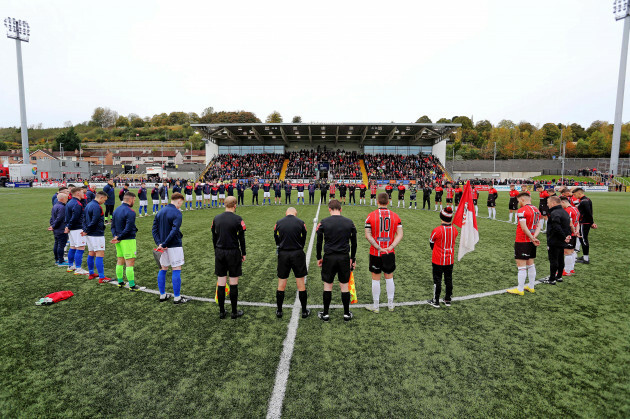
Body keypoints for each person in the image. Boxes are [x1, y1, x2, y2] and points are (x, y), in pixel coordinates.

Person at [315, 199, 358, 322]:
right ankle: (346, 314)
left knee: (328, 285)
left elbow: (319, 242)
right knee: (344, 285)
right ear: (340, 209)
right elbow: (354, 243)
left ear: (329, 209)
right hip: (344, 257)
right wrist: (352, 258)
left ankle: (326, 314)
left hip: (329, 257)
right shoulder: (349, 223)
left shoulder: (324, 222)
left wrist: (319, 257)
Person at [364, 193, 403, 313]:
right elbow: (400, 234)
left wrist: (378, 247)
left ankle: (376, 306)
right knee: (389, 277)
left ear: (377, 201)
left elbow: (367, 235)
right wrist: (390, 246)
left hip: (376, 252)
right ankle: (390, 304)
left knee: (376, 278)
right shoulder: (396, 216)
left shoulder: (370, 216)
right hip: (389, 252)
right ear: (388, 202)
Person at [211, 196, 246, 319]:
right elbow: (241, 238)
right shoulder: (238, 219)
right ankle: (234, 312)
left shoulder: (216, 218)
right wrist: (244, 253)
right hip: (233, 252)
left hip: (220, 252)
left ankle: (222, 312)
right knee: (233, 282)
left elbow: (214, 237)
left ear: (225, 204)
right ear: (235, 205)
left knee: (221, 282)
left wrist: (216, 250)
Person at [152, 192, 191, 304]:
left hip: (163, 247)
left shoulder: (160, 211)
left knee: (163, 269)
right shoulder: (177, 213)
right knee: (176, 269)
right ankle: (177, 298)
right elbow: (174, 231)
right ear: (179, 200)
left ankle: (162, 295)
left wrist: (160, 243)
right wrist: (164, 244)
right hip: (174, 245)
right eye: (181, 203)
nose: (181, 205)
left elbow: (154, 229)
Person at [273, 207, 310, 318]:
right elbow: (304, 236)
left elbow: (276, 236)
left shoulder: (278, 222)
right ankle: (304, 311)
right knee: (300, 284)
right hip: (297, 254)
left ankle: (279, 311)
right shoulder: (301, 222)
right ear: (295, 213)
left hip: (283, 255)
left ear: (286, 213)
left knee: (281, 284)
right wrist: (300, 246)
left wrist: (280, 245)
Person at [507, 192, 542, 295]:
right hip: (531, 241)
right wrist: (534, 237)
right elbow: (539, 226)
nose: (518, 203)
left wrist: (531, 238)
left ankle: (520, 289)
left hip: (522, 240)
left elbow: (523, 227)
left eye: (518, 201)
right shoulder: (536, 210)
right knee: (531, 264)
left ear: (522, 200)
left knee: (521, 266)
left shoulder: (522, 210)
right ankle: (531, 286)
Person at [427, 207, 458, 308]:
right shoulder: (455, 229)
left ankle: (436, 301)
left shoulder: (437, 230)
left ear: (441, 216)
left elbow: (431, 243)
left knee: (437, 280)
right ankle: (448, 299)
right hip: (450, 259)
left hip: (438, 260)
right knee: (448, 279)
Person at [111, 191, 140, 291]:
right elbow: (128, 228)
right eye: (134, 200)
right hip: (127, 240)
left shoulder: (116, 210)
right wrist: (119, 238)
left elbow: (112, 226)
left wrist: (116, 236)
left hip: (118, 240)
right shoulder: (130, 212)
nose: (134, 202)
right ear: (130, 199)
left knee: (120, 260)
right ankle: (132, 286)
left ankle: (120, 282)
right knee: (130, 261)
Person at [83, 191, 111, 283]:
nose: (104, 202)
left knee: (91, 252)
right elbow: (94, 221)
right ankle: (102, 277)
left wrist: (85, 230)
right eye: (105, 200)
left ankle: (91, 273)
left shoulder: (88, 204)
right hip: (96, 234)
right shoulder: (96, 206)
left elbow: (84, 219)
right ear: (101, 197)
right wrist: (87, 230)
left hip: (90, 234)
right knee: (100, 253)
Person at [545, 196, 572, 285]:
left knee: (553, 259)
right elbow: (567, 226)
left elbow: (557, 227)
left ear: (553, 203)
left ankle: (552, 278)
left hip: (555, 240)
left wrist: (564, 236)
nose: (547, 204)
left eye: (548, 202)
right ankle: (559, 276)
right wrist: (567, 236)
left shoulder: (554, 213)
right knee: (560, 258)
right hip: (561, 240)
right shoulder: (564, 212)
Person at [64, 187, 88, 275]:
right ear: (77, 193)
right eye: (82, 192)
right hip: (77, 228)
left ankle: (70, 266)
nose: (83, 194)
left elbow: (68, 217)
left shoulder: (69, 202)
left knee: (73, 247)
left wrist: (68, 226)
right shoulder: (77, 204)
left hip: (72, 229)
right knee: (80, 247)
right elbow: (75, 217)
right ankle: (78, 268)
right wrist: (69, 226)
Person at [573, 188, 597, 265]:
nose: (574, 195)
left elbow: (589, 213)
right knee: (582, 239)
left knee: (583, 240)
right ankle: (584, 256)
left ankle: (586, 259)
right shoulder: (586, 200)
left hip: (584, 223)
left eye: (575, 194)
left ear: (579, 193)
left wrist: (592, 222)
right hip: (584, 222)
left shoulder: (584, 201)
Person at [49, 191, 69, 266]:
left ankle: (57, 259)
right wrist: (53, 226)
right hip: (61, 228)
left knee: (57, 244)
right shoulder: (62, 207)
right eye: (66, 198)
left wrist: (52, 225)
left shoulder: (55, 206)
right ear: (62, 199)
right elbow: (60, 218)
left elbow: (52, 218)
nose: (67, 200)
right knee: (61, 245)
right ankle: (61, 260)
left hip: (56, 229)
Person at [561, 196, 579, 276]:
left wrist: (573, 232)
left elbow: (570, 224)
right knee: (571, 251)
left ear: (563, 202)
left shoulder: (567, 211)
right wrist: (576, 231)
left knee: (567, 252)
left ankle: (567, 271)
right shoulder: (575, 209)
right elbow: (577, 222)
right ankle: (571, 269)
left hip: (569, 234)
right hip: (573, 234)